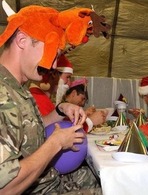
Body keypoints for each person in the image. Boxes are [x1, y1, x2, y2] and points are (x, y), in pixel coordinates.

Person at [0, 5, 104, 194]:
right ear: (22, 41)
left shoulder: (16, 88)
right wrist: (56, 143)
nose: (53, 65)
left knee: (112, 176)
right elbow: (6, 186)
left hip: (51, 180)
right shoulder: (2, 94)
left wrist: (60, 110)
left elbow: (27, 133)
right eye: (51, 53)